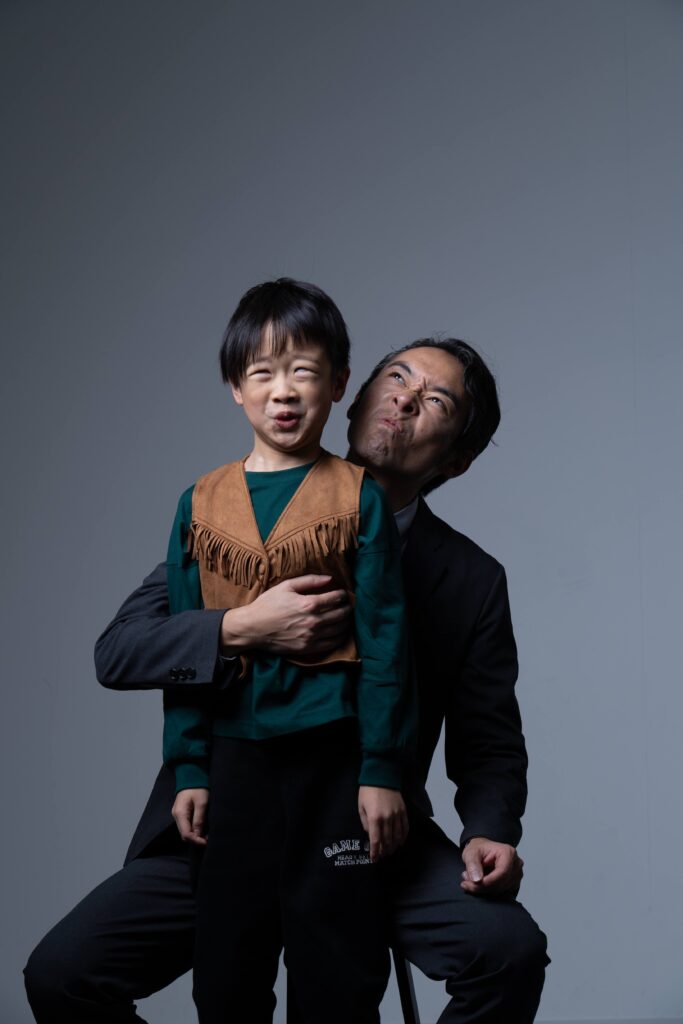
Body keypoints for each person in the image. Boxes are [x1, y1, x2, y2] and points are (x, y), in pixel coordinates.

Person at [25, 332, 550, 1024]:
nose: (404, 400)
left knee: (506, 952)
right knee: (63, 975)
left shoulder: (471, 580)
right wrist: (242, 626)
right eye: (397, 378)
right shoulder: (238, 515)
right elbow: (119, 651)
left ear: (456, 460)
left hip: (368, 831)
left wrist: (490, 829)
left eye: (436, 402)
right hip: (220, 818)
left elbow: (488, 738)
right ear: (352, 396)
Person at [162, 278, 414, 1023]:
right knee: (227, 972)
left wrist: (379, 769)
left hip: (332, 760)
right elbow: (185, 647)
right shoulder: (199, 504)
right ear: (234, 387)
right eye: (262, 373)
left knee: (337, 969)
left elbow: (387, 643)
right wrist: (190, 767)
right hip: (233, 761)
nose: (283, 391)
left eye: (304, 371)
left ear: (337, 384)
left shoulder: (358, 496)